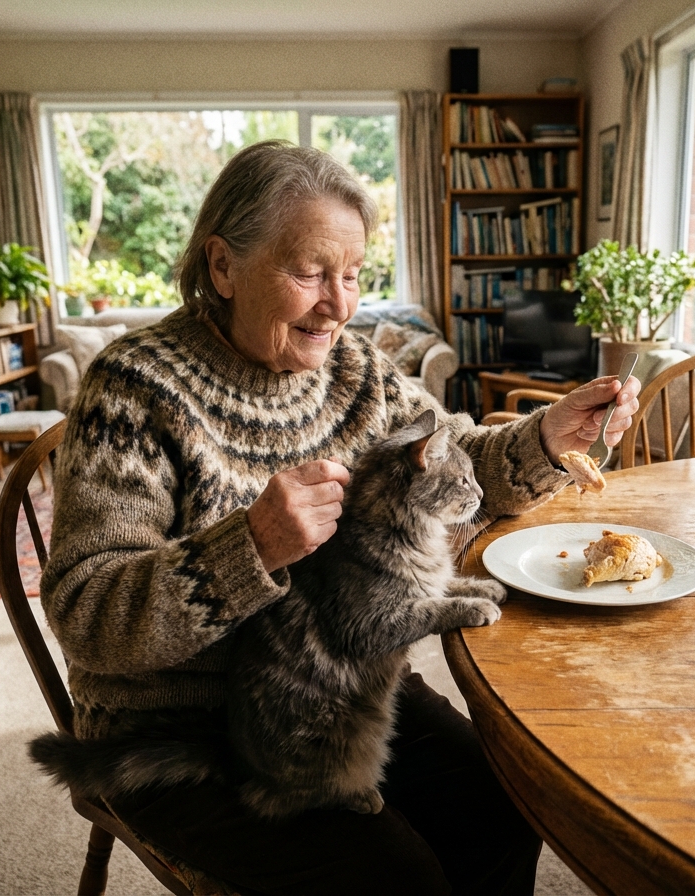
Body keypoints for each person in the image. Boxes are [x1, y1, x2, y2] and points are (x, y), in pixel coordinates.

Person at [40, 140, 641, 896]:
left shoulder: (353, 370)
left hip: (348, 685)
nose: (339, 304)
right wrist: (248, 548)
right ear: (223, 266)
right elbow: (83, 610)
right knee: (397, 880)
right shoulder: (133, 387)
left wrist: (550, 438)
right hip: (179, 728)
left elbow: (459, 463)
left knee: (505, 806)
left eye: (352, 275)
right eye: (309, 272)